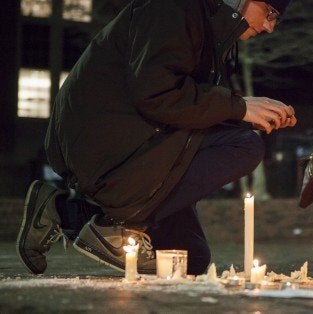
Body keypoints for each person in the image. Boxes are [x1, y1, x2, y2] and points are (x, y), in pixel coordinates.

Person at [16, 0, 296, 276]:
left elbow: (186, 104)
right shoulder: (174, 8)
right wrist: (239, 107)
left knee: (188, 260)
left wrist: (243, 113)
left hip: (144, 138)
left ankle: (62, 210)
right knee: (244, 146)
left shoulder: (213, 31)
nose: (270, 27)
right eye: (270, 13)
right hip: (107, 142)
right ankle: (112, 224)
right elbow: (157, 93)